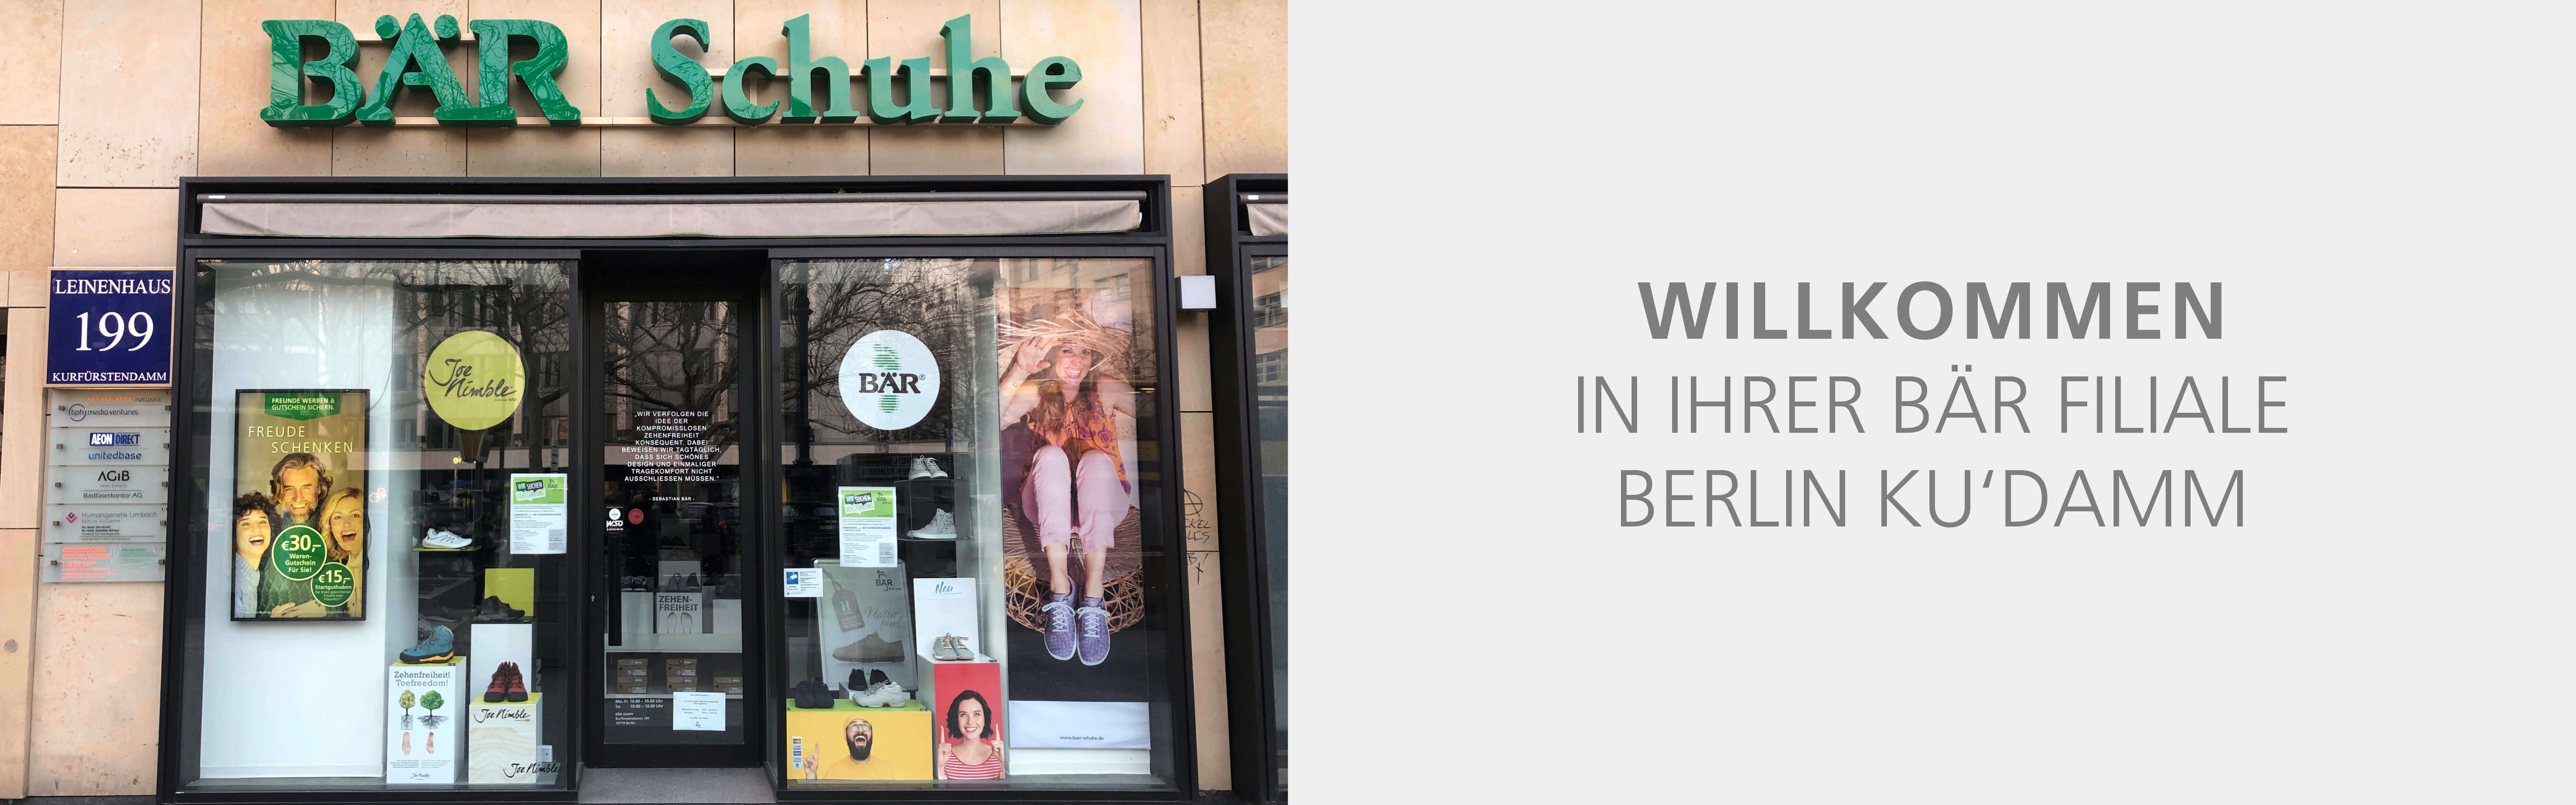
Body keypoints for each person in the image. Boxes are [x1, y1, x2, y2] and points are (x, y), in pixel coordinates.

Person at [998, 317, 1136, 667]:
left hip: (1105, 501)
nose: (1078, 361)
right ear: (1050, 355)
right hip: (1047, 503)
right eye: (1068, 350)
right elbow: (989, 420)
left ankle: (1093, 595)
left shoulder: (1104, 388)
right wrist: (1019, 370)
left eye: (1086, 352)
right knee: (1049, 454)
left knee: (1096, 461)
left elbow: (1163, 414)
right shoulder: (1036, 391)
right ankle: (1062, 589)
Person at [934, 690, 1003, 780]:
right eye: (963, 715)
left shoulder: (998, 756)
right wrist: (940, 768)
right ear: (957, 720)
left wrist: (1003, 763)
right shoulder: (945, 757)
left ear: (985, 720)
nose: (970, 722)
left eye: (977, 714)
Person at [321, 487, 366, 615]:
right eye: (338, 517)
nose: (346, 524)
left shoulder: (375, 567)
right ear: (330, 527)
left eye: (355, 515)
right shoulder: (348, 568)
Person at [232, 493, 276, 618]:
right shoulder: (236, 584)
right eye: (246, 524)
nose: (257, 529)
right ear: (234, 534)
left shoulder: (252, 577)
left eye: (262, 522)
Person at [799, 718, 876, 779]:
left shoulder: (887, 770)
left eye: (865, 726)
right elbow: (821, 798)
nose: (860, 730)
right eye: (854, 726)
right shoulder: (834, 771)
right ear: (846, 734)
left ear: (872, 733)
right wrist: (811, 777)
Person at [270, 452, 331, 528]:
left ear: (319, 488)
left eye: (306, 488)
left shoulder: (336, 531)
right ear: (279, 492)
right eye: (290, 489)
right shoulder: (267, 533)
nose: (298, 498)